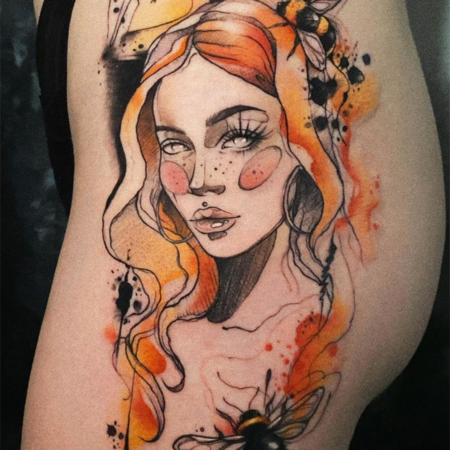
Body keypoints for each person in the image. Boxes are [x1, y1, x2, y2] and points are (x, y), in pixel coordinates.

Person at [23, 1, 445, 450]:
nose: (200, 180)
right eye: (173, 144)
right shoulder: (171, 301)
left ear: (303, 137)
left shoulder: (261, 346)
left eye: (239, 136)